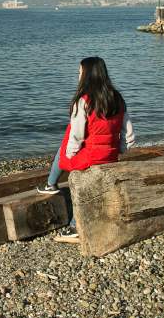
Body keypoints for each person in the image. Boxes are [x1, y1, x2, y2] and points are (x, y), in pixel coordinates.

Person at [37, 56, 135, 240]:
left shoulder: (83, 101)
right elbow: (129, 135)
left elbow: (76, 136)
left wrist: (70, 156)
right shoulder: (117, 98)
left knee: (65, 144)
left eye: (80, 72)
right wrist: (119, 150)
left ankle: (56, 193)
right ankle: (51, 186)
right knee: (75, 144)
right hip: (111, 156)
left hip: (91, 157)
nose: (78, 75)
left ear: (87, 75)